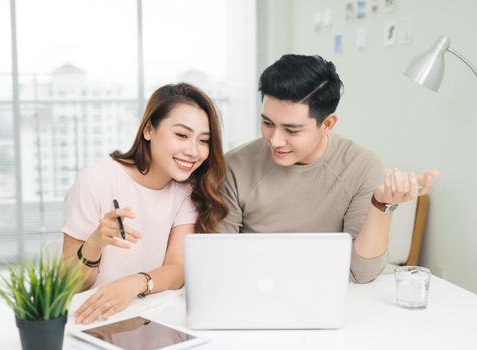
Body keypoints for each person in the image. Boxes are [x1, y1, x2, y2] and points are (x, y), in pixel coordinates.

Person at [218, 54, 438, 283]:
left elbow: (362, 274)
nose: (275, 141)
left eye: (291, 130)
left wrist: (381, 205)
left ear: (328, 124)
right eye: (267, 123)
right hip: (254, 288)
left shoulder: (361, 166)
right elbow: (219, 261)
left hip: (325, 293)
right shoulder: (234, 166)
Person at [62, 83, 227, 324]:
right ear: (149, 129)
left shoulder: (186, 190)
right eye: (181, 135)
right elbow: (69, 284)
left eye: (204, 141)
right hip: (95, 319)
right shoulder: (95, 181)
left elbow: (177, 269)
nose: (193, 151)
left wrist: (136, 283)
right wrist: (95, 243)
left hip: (153, 318)